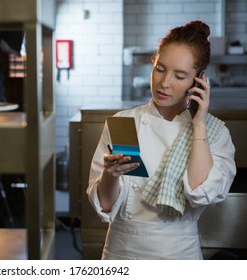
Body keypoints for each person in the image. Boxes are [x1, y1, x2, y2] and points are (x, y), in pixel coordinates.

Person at [87, 20, 236, 260]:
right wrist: (110, 175)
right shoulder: (124, 123)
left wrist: (198, 124)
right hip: (121, 253)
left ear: (198, 81)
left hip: (179, 255)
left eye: (179, 75)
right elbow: (105, 206)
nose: (164, 83)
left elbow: (200, 192)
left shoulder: (214, 134)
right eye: (159, 68)